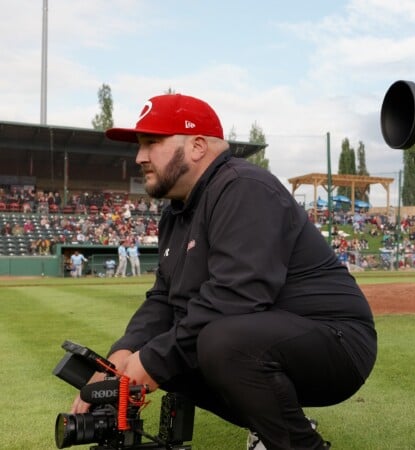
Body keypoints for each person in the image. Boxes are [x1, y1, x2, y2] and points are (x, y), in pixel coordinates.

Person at [69, 93, 377, 449]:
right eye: (140, 145)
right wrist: (124, 354)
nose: (139, 157)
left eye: (152, 143)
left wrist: (150, 362)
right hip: (269, 335)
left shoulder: (244, 187)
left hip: (336, 342)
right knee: (170, 353)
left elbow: (237, 296)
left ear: (198, 146)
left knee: (216, 342)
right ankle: (275, 420)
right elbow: (164, 299)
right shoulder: (176, 211)